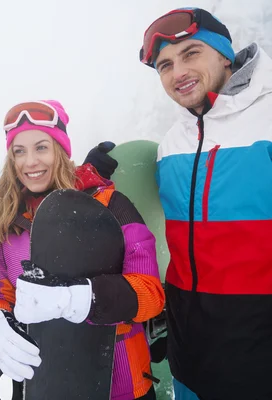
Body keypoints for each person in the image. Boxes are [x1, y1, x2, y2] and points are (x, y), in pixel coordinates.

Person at [0, 100, 165, 400]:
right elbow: (4, 290)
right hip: (44, 381)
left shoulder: (110, 206)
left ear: (61, 150)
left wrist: (78, 298)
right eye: (20, 151)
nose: (30, 162)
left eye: (41, 147)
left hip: (119, 384)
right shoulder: (11, 218)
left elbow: (150, 294)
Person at [138, 7, 272, 400]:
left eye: (191, 53)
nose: (178, 72)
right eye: (165, 65)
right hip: (189, 365)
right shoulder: (171, 144)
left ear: (224, 54)